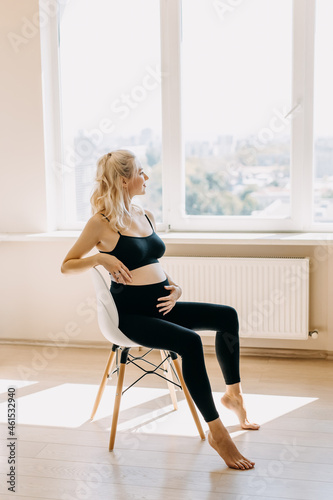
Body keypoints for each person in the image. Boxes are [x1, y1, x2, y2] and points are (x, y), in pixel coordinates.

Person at [61, 149, 259, 470]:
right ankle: (217, 431)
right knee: (190, 343)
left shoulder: (144, 214)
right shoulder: (101, 223)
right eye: (141, 171)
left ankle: (233, 394)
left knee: (227, 316)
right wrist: (100, 258)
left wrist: (176, 287)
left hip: (163, 305)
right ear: (125, 180)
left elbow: (152, 262)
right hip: (131, 316)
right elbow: (66, 265)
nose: (147, 177)